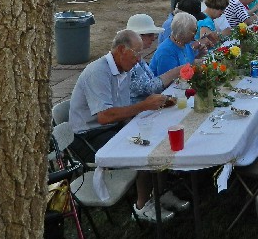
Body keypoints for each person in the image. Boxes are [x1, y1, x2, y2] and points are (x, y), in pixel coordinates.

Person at [68, 30, 187, 222]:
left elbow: (122, 109)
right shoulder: (98, 72)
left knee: (159, 135)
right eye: (137, 54)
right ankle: (141, 206)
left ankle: (160, 192)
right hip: (87, 137)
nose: (139, 60)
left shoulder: (124, 69)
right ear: (122, 50)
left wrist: (156, 106)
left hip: (110, 126)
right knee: (145, 149)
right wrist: (145, 105)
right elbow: (105, 117)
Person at [126, 14, 183, 104]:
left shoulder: (138, 56)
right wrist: (176, 71)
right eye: (149, 35)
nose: (153, 38)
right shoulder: (130, 59)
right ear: (138, 36)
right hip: (136, 112)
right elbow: (149, 88)